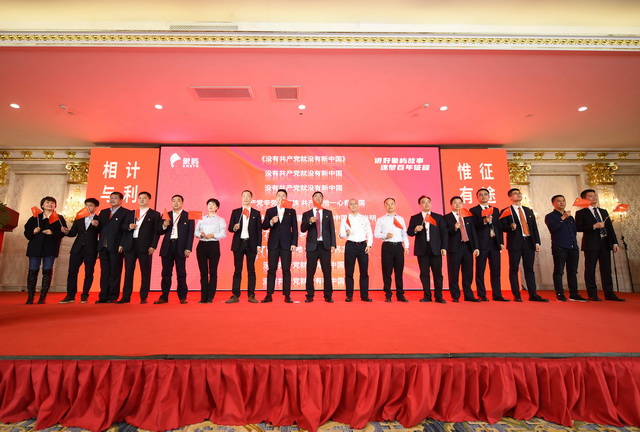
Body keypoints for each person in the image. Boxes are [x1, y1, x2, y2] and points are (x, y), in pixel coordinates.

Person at [575, 189, 624, 302]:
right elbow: (577, 228)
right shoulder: (581, 213)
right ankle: (592, 294)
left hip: (605, 243)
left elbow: (610, 228)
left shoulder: (604, 211)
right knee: (590, 270)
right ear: (584, 199)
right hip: (591, 245)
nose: (594, 198)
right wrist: (594, 226)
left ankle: (609, 294)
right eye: (590, 196)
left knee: (606, 269)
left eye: (595, 195)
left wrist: (614, 242)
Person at [500, 188, 548, 302]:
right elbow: (501, 226)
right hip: (515, 243)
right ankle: (516, 295)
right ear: (510, 197)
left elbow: (534, 227)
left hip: (529, 242)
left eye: (519, 193)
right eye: (515, 194)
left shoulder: (528, 210)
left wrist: (537, 242)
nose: (518, 195)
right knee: (514, 269)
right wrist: (510, 227)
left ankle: (533, 294)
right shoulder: (506, 211)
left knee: (529, 268)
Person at [23, 196, 68, 304]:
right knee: (33, 271)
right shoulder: (35, 217)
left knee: (47, 271)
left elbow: (63, 232)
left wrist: (52, 232)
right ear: (42, 205)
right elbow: (27, 232)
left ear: (55, 206)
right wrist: (33, 231)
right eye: (47, 202)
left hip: (50, 248)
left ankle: (42, 297)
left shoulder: (59, 218)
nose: (50, 204)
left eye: (52, 203)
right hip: (35, 248)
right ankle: (30, 296)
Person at [118, 191, 161, 304]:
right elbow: (123, 228)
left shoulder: (155, 214)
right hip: (130, 245)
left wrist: (153, 246)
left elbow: (156, 232)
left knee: (145, 272)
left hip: (145, 247)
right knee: (128, 272)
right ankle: (126, 297)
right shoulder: (131, 213)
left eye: (144, 198)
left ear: (149, 199)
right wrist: (128, 227)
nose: (142, 200)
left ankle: (143, 297)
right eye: (140, 198)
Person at [544, 195, 586, 302]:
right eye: (558, 201)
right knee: (559, 271)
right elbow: (553, 229)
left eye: (563, 200)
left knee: (573, 272)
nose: (562, 203)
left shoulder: (570, 217)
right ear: (553, 203)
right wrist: (562, 218)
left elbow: (574, 232)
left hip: (573, 247)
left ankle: (574, 294)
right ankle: (559, 293)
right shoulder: (550, 216)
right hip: (560, 247)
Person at [470, 188, 509, 302]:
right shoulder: (474, 210)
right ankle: (482, 294)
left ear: (489, 196)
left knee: (496, 270)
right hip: (481, 244)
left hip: (494, 243)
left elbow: (499, 227)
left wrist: (501, 242)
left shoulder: (495, 210)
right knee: (480, 270)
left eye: (485, 194)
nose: (483, 196)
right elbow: (473, 228)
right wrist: (484, 221)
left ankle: (497, 294)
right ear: (477, 197)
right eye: (481, 195)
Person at [155, 194, 194, 304]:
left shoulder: (188, 215)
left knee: (181, 273)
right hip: (167, 246)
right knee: (166, 273)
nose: (176, 203)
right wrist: (164, 225)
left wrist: (188, 248)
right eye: (174, 201)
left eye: (178, 201)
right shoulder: (166, 215)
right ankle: (164, 296)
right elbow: (159, 231)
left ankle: (182, 297)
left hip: (181, 247)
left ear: (182, 202)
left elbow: (190, 234)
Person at [407, 195, 447, 303]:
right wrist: (415, 229)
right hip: (422, 249)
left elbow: (444, 233)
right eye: (423, 202)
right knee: (424, 274)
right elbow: (409, 232)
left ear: (431, 203)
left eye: (428, 202)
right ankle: (427, 296)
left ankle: (439, 296)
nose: (426, 204)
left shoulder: (438, 217)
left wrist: (444, 247)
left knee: (437, 274)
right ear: (420, 205)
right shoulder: (415, 218)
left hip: (436, 249)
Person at [59, 198, 100, 304]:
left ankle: (85, 295)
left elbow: (103, 233)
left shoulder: (99, 219)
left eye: (91, 205)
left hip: (91, 249)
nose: (88, 207)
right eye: (86, 205)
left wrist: (97, 226)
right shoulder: (79, 218)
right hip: (77, 249)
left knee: (89, 273)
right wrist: (66, 232)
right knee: (72, 272)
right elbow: (73, 233)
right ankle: (70, 295)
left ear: (96, 207)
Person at [262, 189, 298, 303]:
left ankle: (287, 295)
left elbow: (295, 229)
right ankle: (269, 295)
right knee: (271, 270)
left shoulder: (291, 211)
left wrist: (294, 243)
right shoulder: (270, 211)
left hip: (286, 245)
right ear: (275, 197)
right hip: (273, 244)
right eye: (279, 195)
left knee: (286, 270)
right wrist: (271, 222)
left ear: (286, 198)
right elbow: (264, 226)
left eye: (283, 195)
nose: (281, 197)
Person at [227, 190, 262, 303]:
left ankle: (251, 295)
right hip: (239, 244)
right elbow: (230, 228)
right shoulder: (236, 212)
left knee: (251, 270)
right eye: (244, 196)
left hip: (251, 244)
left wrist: (259, 245)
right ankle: (235, 295)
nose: (246, 198)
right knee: (237, 270)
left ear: (251, 198)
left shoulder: (256, 213)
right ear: (241, 198)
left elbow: (259, 231)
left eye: (248, 196)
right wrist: (234, 228)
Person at [301, 191, 337, 302]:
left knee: (327, 271)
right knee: (310, 272)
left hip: (325, 246)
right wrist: (309, 222)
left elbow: (331, 229)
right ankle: (309, 295)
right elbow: (302, 229)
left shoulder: (328, 213)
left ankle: (328, 295)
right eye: (315, 196)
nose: (318, 198)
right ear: (312, 199)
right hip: (312, 246)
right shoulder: (307, 214)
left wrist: (333, 244)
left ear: (322, 199)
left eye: (320, 196)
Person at [444, 196, 481, 302]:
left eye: (459, 202)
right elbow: (444, 233)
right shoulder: (446, 217)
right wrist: (454, 228)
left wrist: (476, 247)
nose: (457, 204)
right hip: (454, 248)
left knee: (468, 273)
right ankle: (455, 296)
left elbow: (473, 232)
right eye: (455, 203)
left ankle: (469, 295)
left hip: (468, 247)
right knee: (453, 273)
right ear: (451, 205)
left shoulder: (467, 216)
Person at [95, 192, 129, 303]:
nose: (112, 200)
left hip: (116, 246)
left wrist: (122, 244)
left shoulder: (126, 212)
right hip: (103, 246)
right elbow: (100, 229)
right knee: (104, 272)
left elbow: (125, 232)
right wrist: (96, 225)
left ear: (121, 200)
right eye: (111, 198)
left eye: (115, 198)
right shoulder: (104, 212)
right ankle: (103, 296)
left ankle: (113, 296)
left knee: (115, 272)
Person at [374, 198, 409, 302]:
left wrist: (406, 246)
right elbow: (376, 234)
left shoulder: (400, 219)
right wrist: (385, 235)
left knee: (399, 272)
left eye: (392, 204)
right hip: (387, 246)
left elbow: (404, 234)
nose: (390, 206)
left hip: (398, 246)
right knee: (387, 271)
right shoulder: (381, 219)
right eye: (387, 204)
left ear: (395, 205)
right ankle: (388, 294)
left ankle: (400, 294)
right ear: (384, 206)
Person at [339, 198, 373, 302]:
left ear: (358, 205)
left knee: (364, 271)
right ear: (348, 206)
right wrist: (346, 233)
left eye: (355, 204)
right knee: (349, 272)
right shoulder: (345, 219)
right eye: (351, 204)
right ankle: (349, 295)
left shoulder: (364, 218)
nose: (353, 205)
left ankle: (364, 296)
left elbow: (369, 232)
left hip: (363, 245)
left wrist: (369, 245)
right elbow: (341, 234)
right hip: (350, 245)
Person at [194, 198, 226, 303]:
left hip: (213, 245)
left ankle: (210, 297)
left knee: (213, 271)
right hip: (202, 245)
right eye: (209, 204)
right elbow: (196, 232)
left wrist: (213, 235)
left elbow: (223, 234)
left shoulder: (220, 220)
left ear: (217, 207)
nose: (211, 206)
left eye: (213, 204)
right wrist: (200, 234)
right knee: (203, 272)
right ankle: (203, 296)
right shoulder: (201, 219)